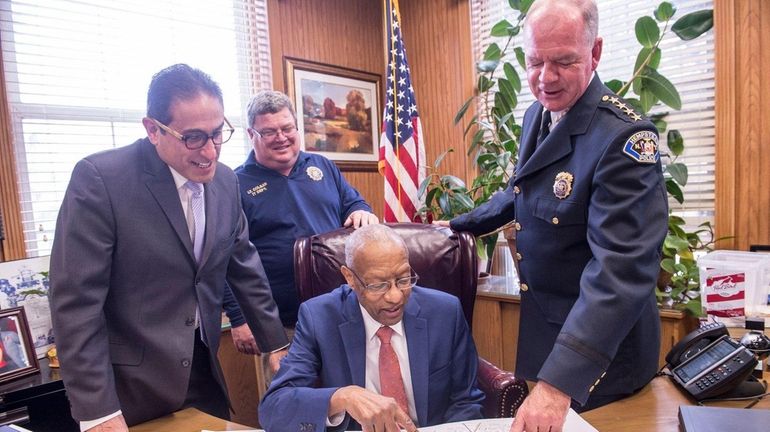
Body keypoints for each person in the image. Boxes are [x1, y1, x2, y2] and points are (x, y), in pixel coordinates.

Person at [439, 1, 668, 430]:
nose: (545, 78)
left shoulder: (624, 139)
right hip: (547, 332)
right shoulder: (536, 115)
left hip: (599, 353)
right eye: (534, 61)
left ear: (595, 53)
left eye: (563, 62)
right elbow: (521, 189)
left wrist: (558, 384)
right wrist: (457, 224)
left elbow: (620, 270)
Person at [49, 64, 289, 431]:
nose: (210, 151)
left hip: (203, 374)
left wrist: (275, 345)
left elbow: (244, 266)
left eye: (217, 133)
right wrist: (97, 410)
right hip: (128, 390)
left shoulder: (225, 182)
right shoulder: (101, 180)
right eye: (193, 137)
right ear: (152, 129)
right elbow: (76, 304)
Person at [259, 224, 484, 431]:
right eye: (378, 285)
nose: (395, 296)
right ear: (350, 278)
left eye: (403, 279)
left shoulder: (445, 312)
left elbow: (466, 402)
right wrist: (342, 397)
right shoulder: (319, 317)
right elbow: (274, 408)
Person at [222, 90, 377, 356]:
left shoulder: (323, 166)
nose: (281, 137)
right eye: (269, 132)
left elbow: (352, 203)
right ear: (251, 135)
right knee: (294, 395)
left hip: (343, 310)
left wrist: (362, 210)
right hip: (282, 325)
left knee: (353, 392)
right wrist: (239, 317)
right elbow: (222, 257)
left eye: (287, 128)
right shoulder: (235, 185)